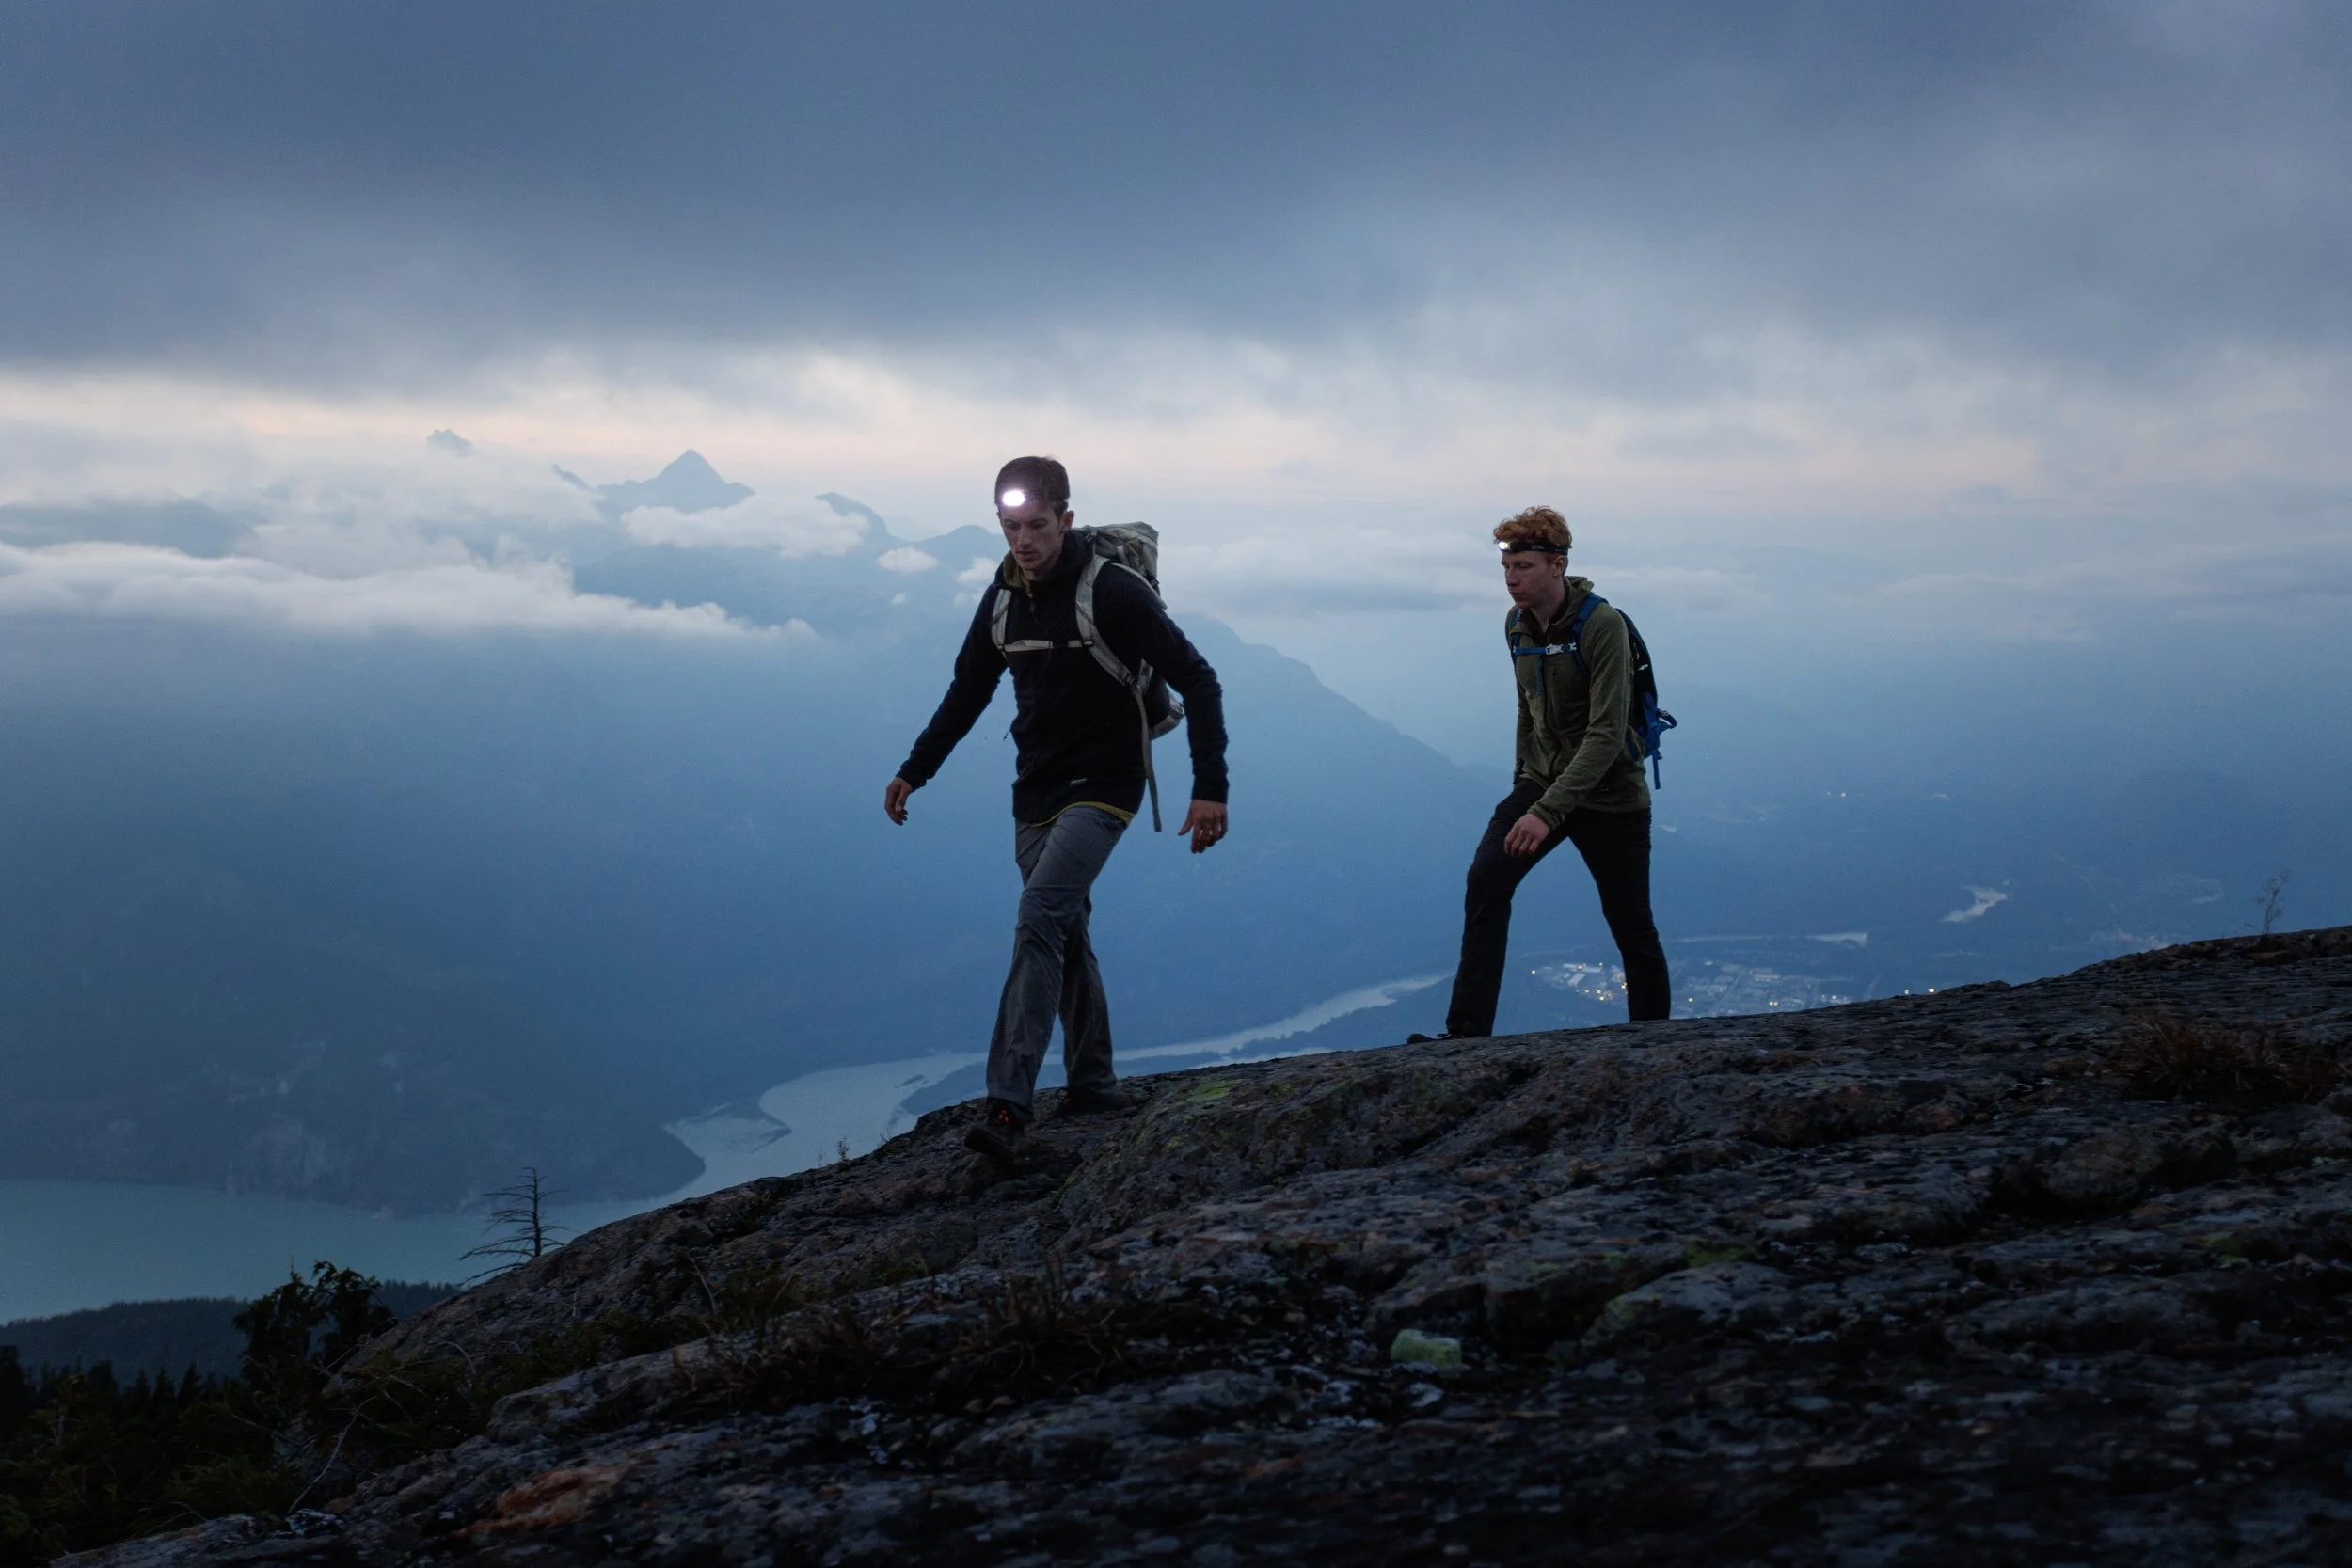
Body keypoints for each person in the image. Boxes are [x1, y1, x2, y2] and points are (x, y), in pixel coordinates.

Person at [884, 456, 1229, 1164]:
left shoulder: (1114, 592)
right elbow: (967, 691)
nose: (1023, 541)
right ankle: (1093, 1082)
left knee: (1039, 916)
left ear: (1065, 519)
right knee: (1064, 929)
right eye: (1010, 527)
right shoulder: (1004, 596)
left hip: (1107, 782)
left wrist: (1210, 786)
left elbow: (1199, 678)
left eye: (1036, 525)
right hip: (1034, 788)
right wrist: (914, 769)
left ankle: (1008, 1105)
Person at [1423, 505, 1669, 1038]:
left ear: (1557, 566)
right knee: (1487, 879)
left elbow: (1606, 735)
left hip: (1611, 796)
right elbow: (1525, 710)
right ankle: (1466, 1033)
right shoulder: (1516, 625)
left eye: (1525, 567)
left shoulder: (1602, 626)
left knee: (1631, 925)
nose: (1512, 580)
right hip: (1542, 784)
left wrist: (1544, 812)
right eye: (1507, 568)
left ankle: (1654, 1042)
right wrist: (1523, 792)